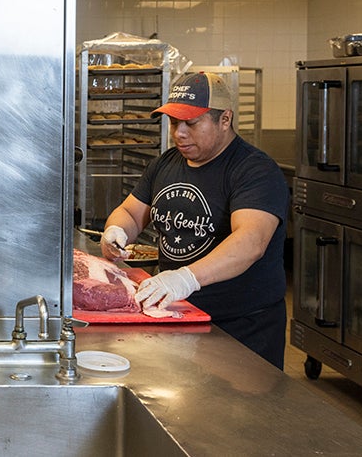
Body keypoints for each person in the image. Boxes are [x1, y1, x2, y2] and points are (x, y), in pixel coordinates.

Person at [101, 71, 288, 369]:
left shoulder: (254, 171)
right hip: (178, 315)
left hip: (240, 328)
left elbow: (251, 242)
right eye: (174, 123)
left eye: (191, 123)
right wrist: (116, 230)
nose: (179, 133)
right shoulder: (166, 163)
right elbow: (131, 213)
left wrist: (186, 278)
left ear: (224, 119)